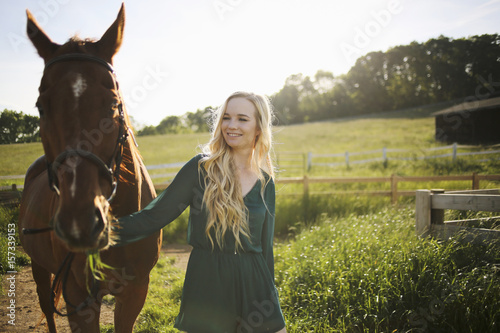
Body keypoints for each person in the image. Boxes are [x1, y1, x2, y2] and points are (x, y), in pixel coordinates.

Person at [114, 91, 287, 333]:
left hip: (255, 283)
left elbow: (265, 247)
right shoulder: (200, 169)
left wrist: (269, 297)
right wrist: (101, 231)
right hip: (209, 281)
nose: (231, 125)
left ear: (259, 127)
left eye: (242, 119)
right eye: (226, 117)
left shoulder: (265, 182)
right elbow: (155, 216)